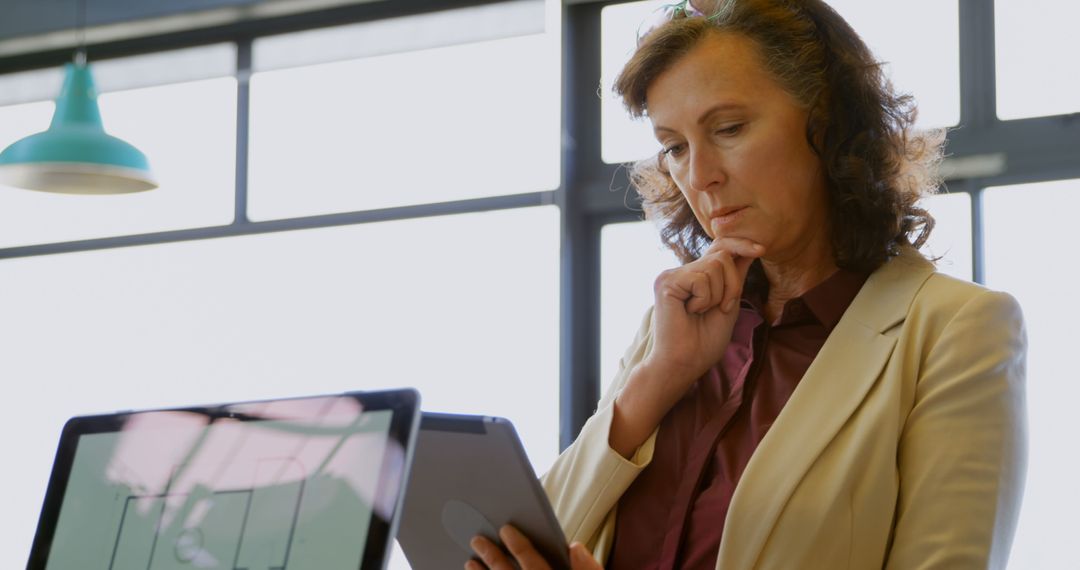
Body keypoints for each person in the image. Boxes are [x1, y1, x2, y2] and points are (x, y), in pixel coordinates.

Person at [468, 0, 1027, 568]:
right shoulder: (669, 330)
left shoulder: (956, 330)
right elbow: (526, 545)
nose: (700, 175)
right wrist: (658, 377)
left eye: (729, 128)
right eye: (675, 147)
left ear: (827, 124)